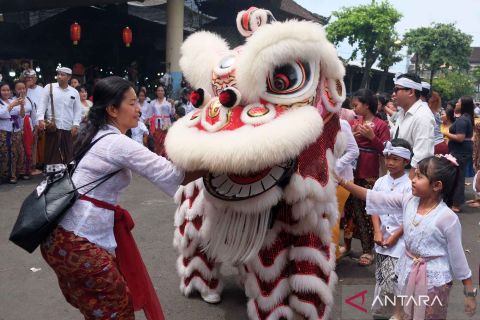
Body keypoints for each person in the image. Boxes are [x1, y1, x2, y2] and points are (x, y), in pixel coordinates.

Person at [41, 76, 203, 320]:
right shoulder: (116, 143)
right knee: (117, 309)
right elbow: (174, 175)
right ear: (112, 110)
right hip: (76, 240)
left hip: (60, 237)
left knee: (99, 309)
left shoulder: (97, 133)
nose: (139, 108)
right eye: (131, 103)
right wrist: (220, 159)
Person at [337, 155, 477, 320]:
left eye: (419, 176)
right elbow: (374, 197)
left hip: (433, 281)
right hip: (407, 269)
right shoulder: (409, 201)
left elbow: (458, 257)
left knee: (429, 315)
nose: (412, 180)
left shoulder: (447, 218)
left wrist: (469, 293)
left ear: (437, 185)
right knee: (404, 312)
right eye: (414, 174)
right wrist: (341, 181)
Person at [344, 88, 391, 266]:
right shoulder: (353, 122)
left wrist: (372, 137)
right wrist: (352, 137)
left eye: (356, 105)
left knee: (366, 212)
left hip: (368, 172)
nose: (354, 109)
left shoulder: (381, 125)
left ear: (366, 105)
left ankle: (367, 250)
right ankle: (347, 245)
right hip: (349, 171)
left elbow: (386, 151)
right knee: (348, 211)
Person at [370, 139, 412, 319]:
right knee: (382, 277)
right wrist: (377, 231)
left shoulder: (410, 185)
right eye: (387, 158)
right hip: (382, 239)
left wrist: (395, 236)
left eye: (395, 159)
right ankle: (385, 311)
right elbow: (373, 207)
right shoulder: (380, 182)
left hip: (400, 240)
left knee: (397, 278)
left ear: (406, 161)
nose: (389, 162)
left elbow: (410, 216)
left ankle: (398, 313)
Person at [391, 73, 435, 178]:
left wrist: (409, 184)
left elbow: (422, 155)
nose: (393, 94)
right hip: (398, 174)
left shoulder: (423, 116)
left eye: (397, 90)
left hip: (409, 177)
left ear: (410, 92)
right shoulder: (403, 112)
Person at [37, 67, 82, 165]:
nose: (59, 77)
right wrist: (40, 119)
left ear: (69, 77)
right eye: (58, 74)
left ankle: (67, 175)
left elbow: (77, 110)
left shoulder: (74, 92)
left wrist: (76, 124)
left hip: (67, 126)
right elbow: (42, 104)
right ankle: (51, 175)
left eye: (62, 75)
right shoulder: (49, 87)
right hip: (52, 126)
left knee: (68, 152)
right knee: (51, 152)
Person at [333, 119, 359, 259]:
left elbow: (354, 151)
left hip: (341, 180)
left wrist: (334, 167)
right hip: (320, 179)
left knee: (332, 219)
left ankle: (332, 257)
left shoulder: (340, 123)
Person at [444, 96, 474, 213]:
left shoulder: (462, 120)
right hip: (462, 151)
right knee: (458, 176)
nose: (456, 104)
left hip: (460, 152)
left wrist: (445, 133)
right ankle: (455, 202)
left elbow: (460, 138)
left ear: (463, 105)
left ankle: (456, 204)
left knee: (458, 177)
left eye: (458, 102)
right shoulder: (466, 118)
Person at [0, 82, 26, 184]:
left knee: (16, 153)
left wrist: (22, 106)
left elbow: (22, 115)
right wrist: (12, 105)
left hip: (15, 130)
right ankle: (3, 175)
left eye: (7, 90)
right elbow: (2, 114)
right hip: (3, 131)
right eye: (3, 90)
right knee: (4, 153)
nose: (6, 92)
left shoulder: (12, 100)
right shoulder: (4, 102)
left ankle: (13, 174)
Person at [14, 80, 37, 179]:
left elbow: (34, 115)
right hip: (16, 127)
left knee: (28, 149)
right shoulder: (12, 100)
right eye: (19, 89)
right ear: (15, 90)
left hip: (29, 127)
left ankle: (27, 171)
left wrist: (35, 128)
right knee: (19, 150)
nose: (22, 90)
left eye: (23, 88)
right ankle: (17, 171)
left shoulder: (30, 100)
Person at [23, 69, 43, 174]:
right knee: (25, 144)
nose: (30, 80)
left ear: (36, 78)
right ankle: (27, 167)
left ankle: (34, 165)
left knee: (34, 144)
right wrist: (26, 86)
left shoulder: (41, 89)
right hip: (25, 120)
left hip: (37, 119)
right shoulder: (23, 88)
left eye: (32, 78)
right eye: (27, 78)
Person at [149, 85, 174, 157]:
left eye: (162, 90)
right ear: (156, 92)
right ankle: (157, 157)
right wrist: (151, 125)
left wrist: (172, 105)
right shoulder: (152, 102)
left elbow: (172, 114)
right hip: (156, 124)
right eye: (158, 90)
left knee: (165, 141)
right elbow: (151, 114)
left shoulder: (168, 102)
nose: (160, 92)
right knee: (156, 142)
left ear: (164, 92)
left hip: (166, 124)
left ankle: (166, 157)